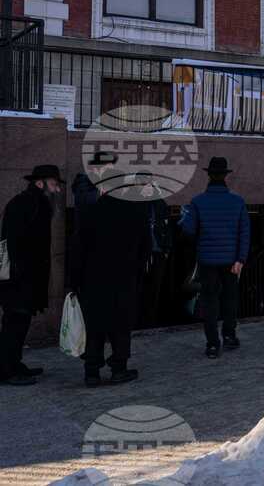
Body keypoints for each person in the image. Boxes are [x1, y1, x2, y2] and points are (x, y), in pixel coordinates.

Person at [71, 156, 151, 387]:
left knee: (94, 327)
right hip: (124, 279)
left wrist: (75, 281)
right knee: (121, 325)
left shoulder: (90, 212)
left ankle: (92, 372)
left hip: (93, 281)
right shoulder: (135, 212)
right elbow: (144, 248)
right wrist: (135, 271)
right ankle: (119, 368)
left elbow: (78, 249)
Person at [180, 157, 250, 358]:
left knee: (210, 302)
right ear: (226, 176)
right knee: (230, 299)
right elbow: (245, 232)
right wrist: (240, 259)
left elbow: (189, 231)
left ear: (208, 176)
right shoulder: (237, 201)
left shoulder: (197, 202)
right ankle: (229, 336)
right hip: (231, 261)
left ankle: (212, 344)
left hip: (207, 260)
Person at [0, 164, 62, 386]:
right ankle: (6, 370)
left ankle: (14, 364)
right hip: (18, 279)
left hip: (26, 278)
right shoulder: (23, 204)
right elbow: (9, 244)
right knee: (14, 323)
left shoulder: (36, 203)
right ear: (40, 183)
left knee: (20, 322)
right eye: (54, 185)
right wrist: (13, 277)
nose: (57, 190)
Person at [137, 174, 173, 327]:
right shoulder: (134, 203)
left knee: (154, 289)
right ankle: (139, 321)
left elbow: (167, 228)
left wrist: (166, 250)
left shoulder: (159, 203)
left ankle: (150, 321)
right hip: (140, 254)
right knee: (139, 288)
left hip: (157, 253)